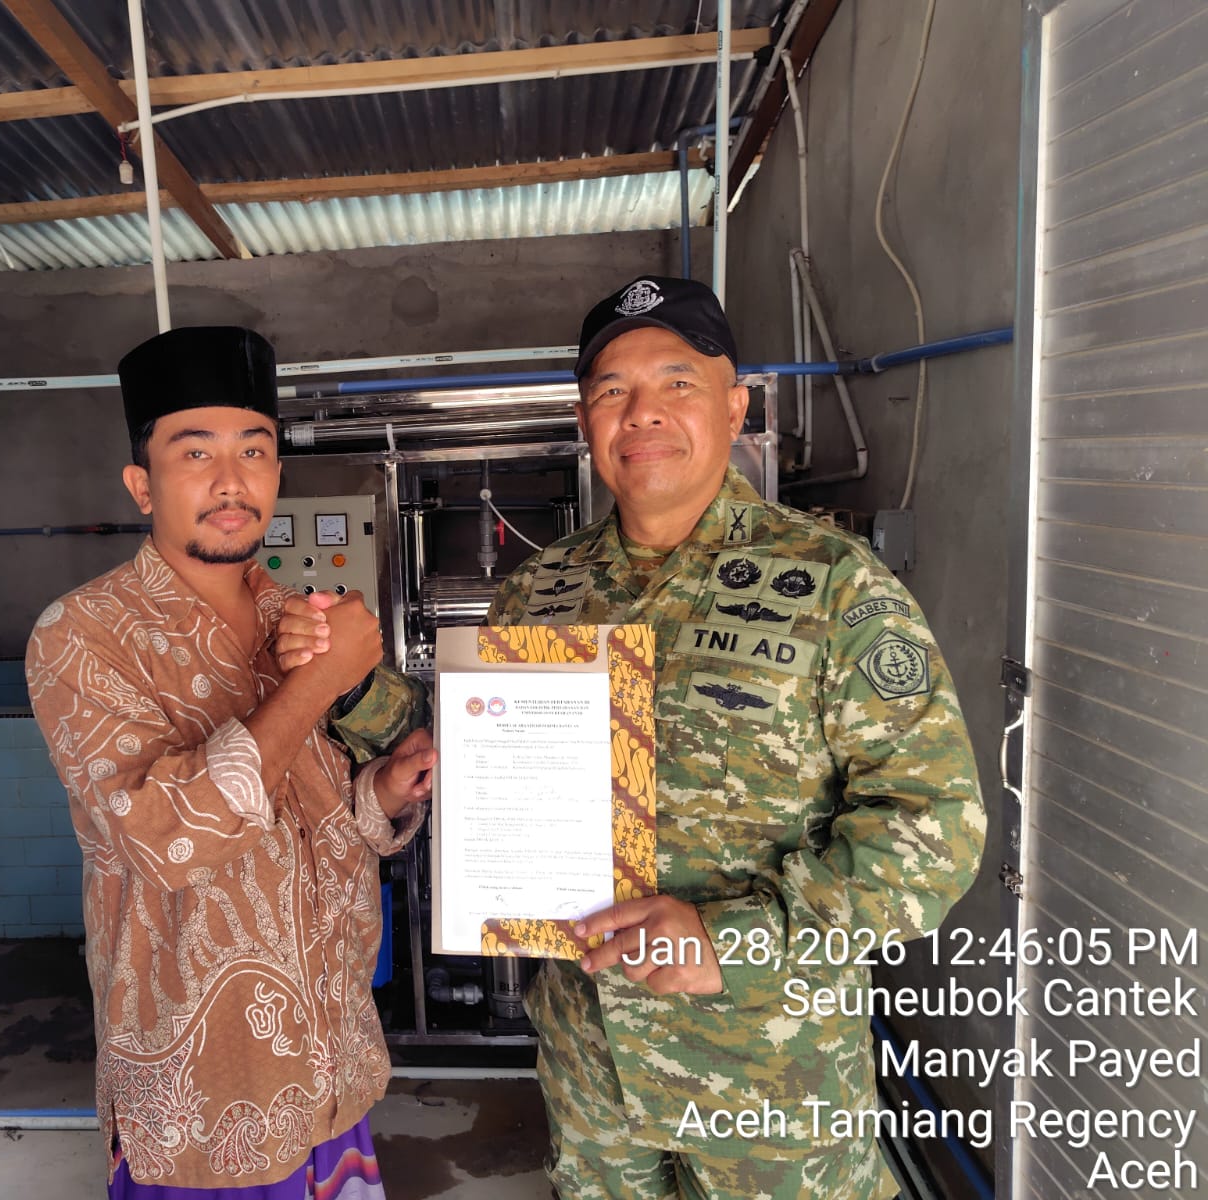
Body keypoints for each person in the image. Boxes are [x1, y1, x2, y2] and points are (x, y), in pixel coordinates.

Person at [278, 278, 985, 1199]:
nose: (642, 412)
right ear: (586, 421)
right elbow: (470, 749)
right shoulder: (544, 590)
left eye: (677, 383)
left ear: (734, 407)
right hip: (590, 1065)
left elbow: (934, 828)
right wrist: (348, 680)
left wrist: (729, 938)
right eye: (613, 390)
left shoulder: (834, 587)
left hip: (771, 1076)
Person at [26, 325, 436, 1199]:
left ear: (276, 474)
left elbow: (318, 816)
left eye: (254, 450)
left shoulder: (299, 616)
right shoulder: (82, 635)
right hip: (206, 1095)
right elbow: (163, 837)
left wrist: (381, 792)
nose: (230, 479)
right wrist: (316, 682)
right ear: (142, 484)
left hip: (330, 1063)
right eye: (195, 452)